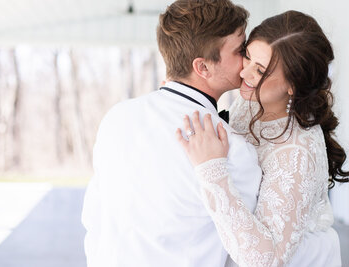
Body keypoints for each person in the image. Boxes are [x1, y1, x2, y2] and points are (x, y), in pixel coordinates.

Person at [81, 0, 263, 266]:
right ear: (203, 67)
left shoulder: (116, 117)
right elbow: (244, 251)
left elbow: (94, 218)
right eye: (240, 50)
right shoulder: (230, 147)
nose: (248, 59)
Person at [177, 10, 349, 267]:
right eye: (247, 56)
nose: (244, 73)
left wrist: (212, 171)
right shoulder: (252, 104)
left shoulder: (297, 152)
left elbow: (265, 261)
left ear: (293, 85)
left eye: (260, 70)